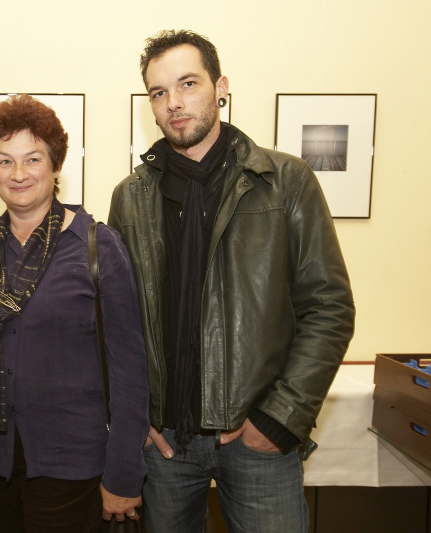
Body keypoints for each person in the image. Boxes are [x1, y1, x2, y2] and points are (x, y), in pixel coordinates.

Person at [108, 30, 355, 532]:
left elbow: (329, 307)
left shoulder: (286, 180)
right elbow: (117, 323)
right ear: (150, 107)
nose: (174, 103)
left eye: (188, 83)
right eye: (159, 93)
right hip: (165, 446)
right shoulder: (129, 197)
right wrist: (135, 420)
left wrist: (281, 418)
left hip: (257, 439)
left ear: (221, 87)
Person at [0, 94, 149, 532]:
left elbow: (130, 368)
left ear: (56, 167)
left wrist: (125, 471)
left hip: (71, 462)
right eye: (4, 161)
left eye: (33, 159)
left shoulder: (97, 247)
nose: (18, 174)